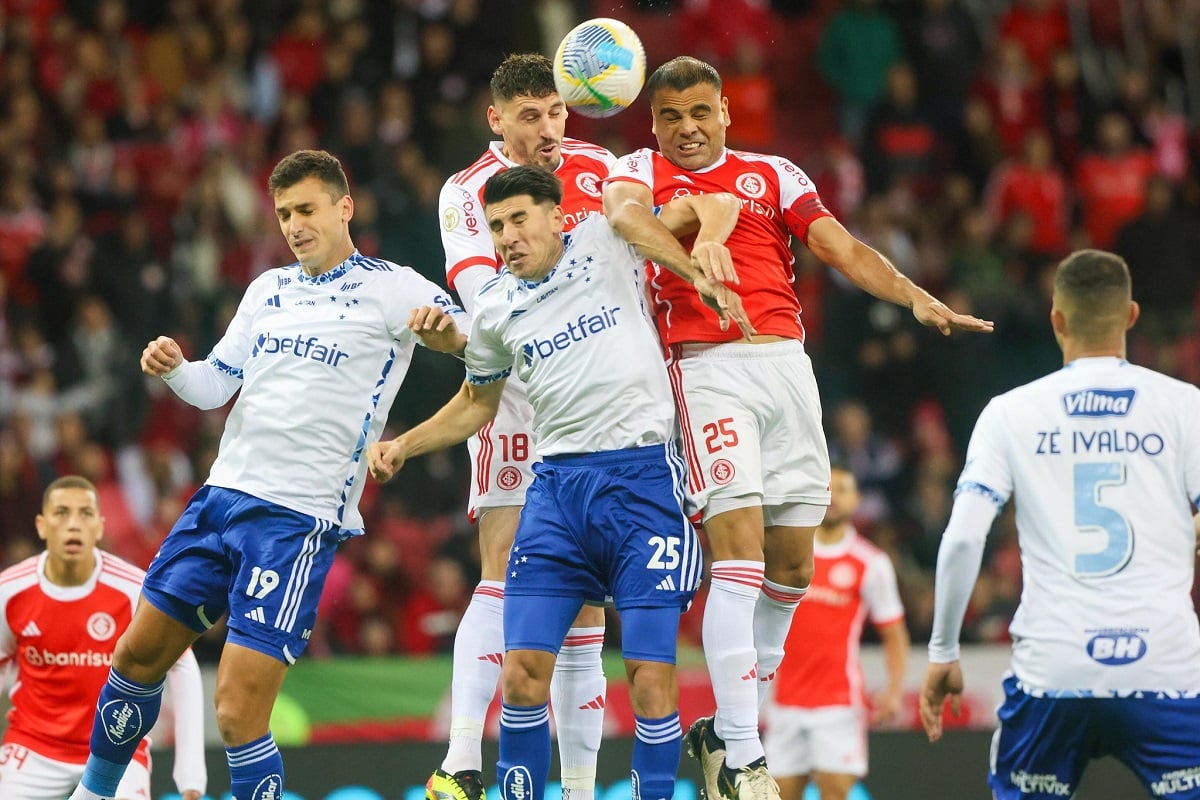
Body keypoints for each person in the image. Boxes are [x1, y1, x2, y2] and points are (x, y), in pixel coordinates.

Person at [601, 55, 993, 800]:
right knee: (740, 554)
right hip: (704, 365)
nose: (686, 128)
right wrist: (691, 265)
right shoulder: (640, 172)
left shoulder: (773, 173)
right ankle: (747, 753)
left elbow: (839, 247)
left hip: (787, 366)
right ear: (653, 123)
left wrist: (913, 296)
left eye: (699, 113)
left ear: (723, 114)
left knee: (792, 567)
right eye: (671, 116)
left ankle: (725, 725)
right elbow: (623, 220)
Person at [68, 149, 468, 800]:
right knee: (135, 659)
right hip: (220, 500)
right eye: (284, 214)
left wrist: (447, 333)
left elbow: (472, 335)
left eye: (306, 209)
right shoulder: (268, 290)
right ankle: (94, 793)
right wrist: (175, 368)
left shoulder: (393, 286)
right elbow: (212, 385)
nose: (294, 225)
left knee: (236, 713)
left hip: (295, 520)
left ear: (344, 207)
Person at [369, 165, 750, 800]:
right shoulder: (493, 308)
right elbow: (476, 404)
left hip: (643, 486)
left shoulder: (607, 238)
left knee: (650, 677)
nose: (508, 236)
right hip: (554, 495)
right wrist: (404, 445)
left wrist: (705, 243)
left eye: (519, 219)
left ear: (555, 216)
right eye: (496, 227)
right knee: (521, 673)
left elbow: (713, 201)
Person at [920, 249, 1200, 798]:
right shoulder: (1186, 407)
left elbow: (964, 538)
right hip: (1165, 669)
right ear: (1132, 316)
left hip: (1054, 667)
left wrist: (942, 652)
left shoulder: (1010, 412)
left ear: (1056, 320)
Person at [430, 53, 617, 800]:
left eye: (556, 113)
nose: (547, 130)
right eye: (530, 116)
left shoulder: (600, 167)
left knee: (586, 603)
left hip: (599, 392)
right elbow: (483, 295)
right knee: (502, 569)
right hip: (514, 390)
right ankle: (461, 761)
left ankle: (577, 787)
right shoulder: (465, 192)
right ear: (496, 119)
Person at [0, 475, 206, 800]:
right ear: (41, 525)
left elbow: (182, 665)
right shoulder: (10, 591)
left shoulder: (134, 590)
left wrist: (191, 772)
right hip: (34, 747)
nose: (73, 525)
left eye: (85, 514)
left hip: (118, 750)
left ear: (99, 526)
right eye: (62, 513)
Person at [763, 465, 908, 800]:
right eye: (828, 488)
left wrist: (895, 690)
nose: (834, 497)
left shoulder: (870, 562)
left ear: (856, 500)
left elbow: (894, 632)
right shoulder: (789, 553)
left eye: (843, 489)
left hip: (838, 702)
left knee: (835, 792)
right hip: (784, 700)